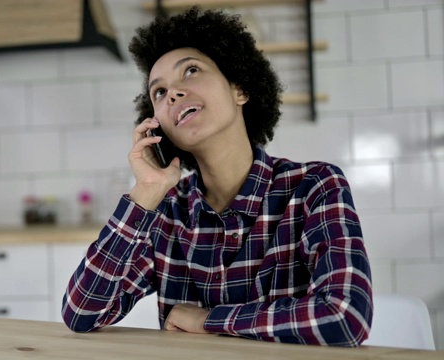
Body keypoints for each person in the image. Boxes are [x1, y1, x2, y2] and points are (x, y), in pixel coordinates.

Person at [62, 7, 373, 346]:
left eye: (191, 71)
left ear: (239, 89)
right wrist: (147, 190)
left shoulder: (315, 186)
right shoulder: (166, 212)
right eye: (159, 93)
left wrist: (209, 320)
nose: (174, 93)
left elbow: (345, 317)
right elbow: (81, 313)